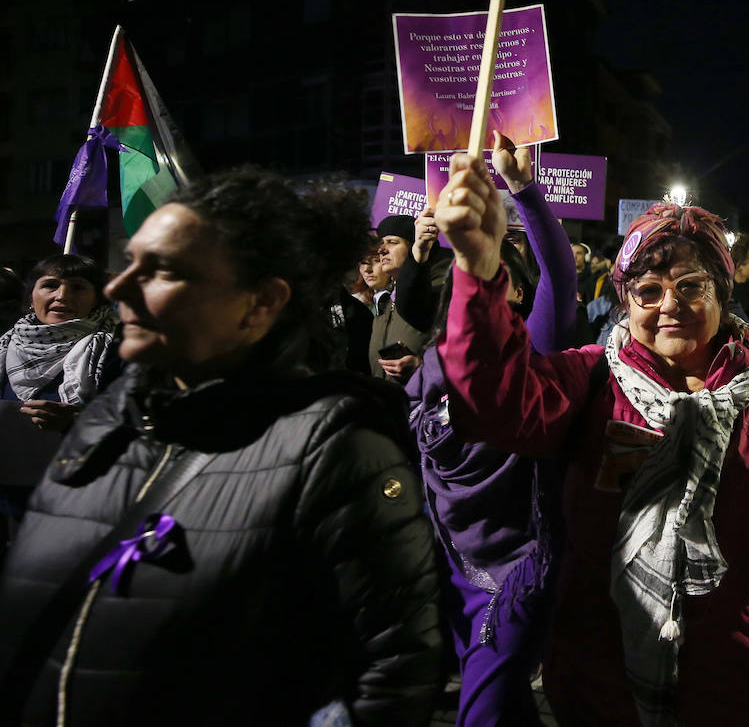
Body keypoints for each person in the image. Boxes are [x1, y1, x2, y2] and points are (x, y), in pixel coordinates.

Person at [0, 167, 442, 726]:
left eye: (163, 271)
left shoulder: (331, 448)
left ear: (260, 303)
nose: (117, 288)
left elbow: (391, 673)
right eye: (130, 262)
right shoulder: (104, 423)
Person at [431, 154, 749, 726]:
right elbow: (494, 404)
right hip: (605, 693)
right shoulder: (590, 378)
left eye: (690, 286)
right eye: (649, 290)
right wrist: (480, 273)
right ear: (626, 300)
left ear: (722, 291)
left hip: (743, 694)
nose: (669, 306)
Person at [406, 135, 579, 727]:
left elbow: (561, 277)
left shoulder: (533, 356)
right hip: (450, 567)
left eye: (494, 271)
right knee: (507, 711)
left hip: (511, 574)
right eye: (466, 266)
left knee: (482, 713)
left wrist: (523, 188)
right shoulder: (429, 371)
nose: (475, 274)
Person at [0, 255, 122, 539]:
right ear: (32, 297)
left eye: (78, 287)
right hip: (11, 510)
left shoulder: (115, 352)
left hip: (84, 510)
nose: (62, 295)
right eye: (50, 285)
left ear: (97, 299)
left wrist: (79, 422)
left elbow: (139, 428)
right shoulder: (5, 347)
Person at [370, 214, 429, 382]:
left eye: (392, 242)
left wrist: (421, 366)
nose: (382, 250)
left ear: (413, 248)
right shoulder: (384, 301)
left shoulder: (436, 293)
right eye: (381, 243)